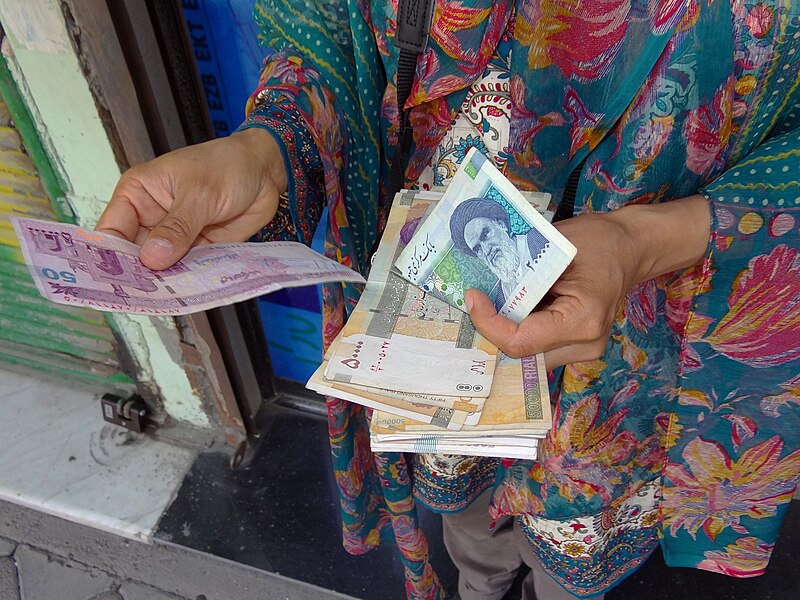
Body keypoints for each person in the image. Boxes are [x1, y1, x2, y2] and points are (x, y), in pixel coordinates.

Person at [97, 1, 800, 599]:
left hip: (647, 337)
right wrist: (271, 141)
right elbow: (325, 24)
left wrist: (644, 239)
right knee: (467, 521)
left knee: (574, 557)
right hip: (441, 298)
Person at [449, 197, 551, 311]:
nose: (486, 250)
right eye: (478, 249)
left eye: (485, 234)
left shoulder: (543, 241)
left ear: (501, 224)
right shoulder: (500, 301)